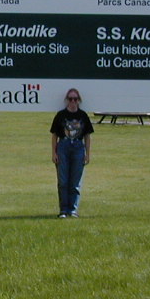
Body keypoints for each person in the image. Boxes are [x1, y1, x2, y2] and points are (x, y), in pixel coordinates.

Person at [50, 88, 94, 218]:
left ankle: (73, 210)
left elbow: (87, 136)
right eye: (70, 99)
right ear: (66, 100)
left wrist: (87, 154)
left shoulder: (83, 116)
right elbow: (54, 136)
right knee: (63, 181)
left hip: (78, 147)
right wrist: (54, 153)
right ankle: (63, 210)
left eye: (75, 99)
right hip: (63, 146)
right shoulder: (60, 115)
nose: (73, 101)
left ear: (79, 100)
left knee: (75, 182)